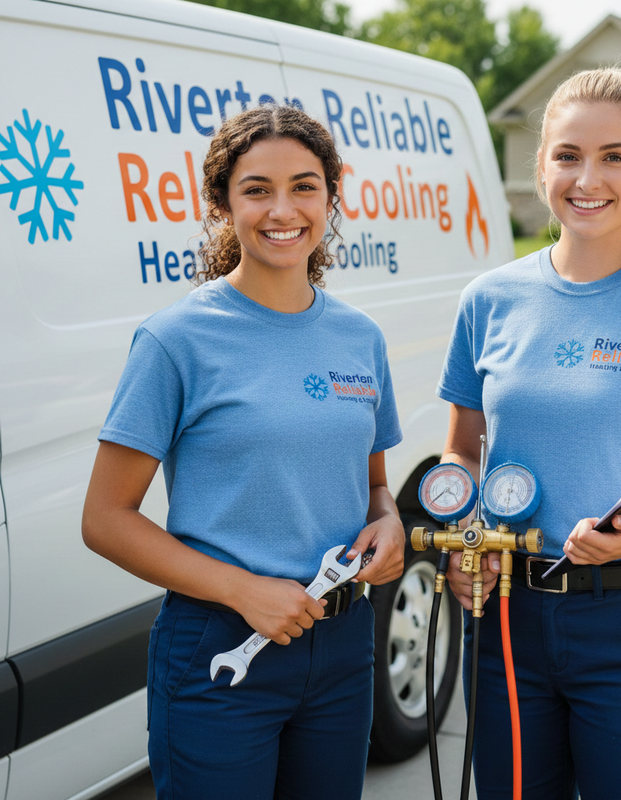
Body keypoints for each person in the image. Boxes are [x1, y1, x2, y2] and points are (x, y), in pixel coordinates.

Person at [82, 104, 405, 800]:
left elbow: (374, 487)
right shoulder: (176, 341)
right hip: (222, 643)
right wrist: (243, 591)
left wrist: (388, 520)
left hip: (343, 646)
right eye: (257, 188)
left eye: (304, 186)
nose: (281, 209)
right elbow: (106, 518)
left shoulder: (360, 338)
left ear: (331, 197)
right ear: (222, 202)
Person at [437, 68, 621, 800]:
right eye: (568, 155)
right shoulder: (488, 301)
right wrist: (463, 541)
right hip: (508, 623)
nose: (587, 177)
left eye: (613, 156)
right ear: (541, 164)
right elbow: (460, 453)